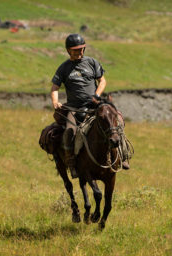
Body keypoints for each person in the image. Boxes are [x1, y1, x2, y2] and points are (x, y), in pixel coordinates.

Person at [50, 34, 129, 179]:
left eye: (81, 49)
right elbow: (55, 87)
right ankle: (72, 163)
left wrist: (97, 95)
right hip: (74, 109)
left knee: (117, 122)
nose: (79, 52)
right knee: (69, 132)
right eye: (75, 50)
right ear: (68, 51)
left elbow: (102, 81)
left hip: (94, 106)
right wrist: (55, 102)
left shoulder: (92, 63)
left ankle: (123, 156)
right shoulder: (63, 68)